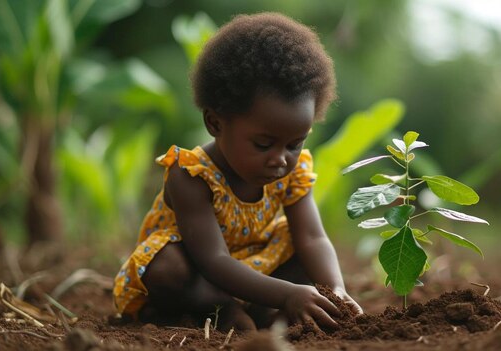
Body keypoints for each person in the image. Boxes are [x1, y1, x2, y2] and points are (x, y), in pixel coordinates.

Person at [113, 12, 362, 331]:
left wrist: (335, 290)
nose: (281, 159)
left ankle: (260, 310)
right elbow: (213, 261)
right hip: (202, 275)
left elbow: (313, 238)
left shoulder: (293, 170)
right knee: (165, 268)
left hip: (261, 270)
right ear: (215, 123)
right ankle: (219, 310)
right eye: (263, 144)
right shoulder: (190, 176)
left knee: (305, 254)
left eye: (294, 144)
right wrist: (287, 295)